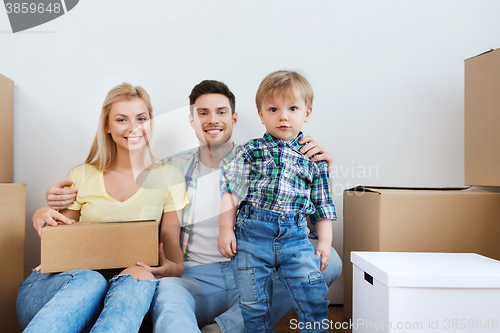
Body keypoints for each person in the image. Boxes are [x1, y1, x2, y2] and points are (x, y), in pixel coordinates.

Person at [45, 79, 342, 333]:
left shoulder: (265, 160)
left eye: (221, 112)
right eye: (203, 113)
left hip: (252, 270)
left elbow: (307, 229)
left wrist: (320, 170)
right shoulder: (169, 169)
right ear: (192, 120)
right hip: (194, 276)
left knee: (330, 263)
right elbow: (113, 193)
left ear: (235, 119)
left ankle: (223, 328)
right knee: (170, 302)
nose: (213, 119)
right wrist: (51, 204)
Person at [17, 83, 189, 333]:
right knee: (90, 279)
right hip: (53, 293)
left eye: (141, 118)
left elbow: (172, 246)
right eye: (122, 119)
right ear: (107, 126)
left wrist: (173, 268)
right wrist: (42, 216)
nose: (133, 128)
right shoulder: (82, 175)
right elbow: (59, 247)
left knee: (140, 276)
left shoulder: (169, 178)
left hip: (116, 300)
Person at [218, 70, 334, 333]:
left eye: (293, 108)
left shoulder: (313, 157)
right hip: (252, 236)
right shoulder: (250, 151)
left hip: (295, 239)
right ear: (261, 114)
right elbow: (232, 191)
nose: (283, 116)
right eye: (273, 109)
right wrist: (225, 229)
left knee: (313, 298)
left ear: (307, 113)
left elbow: (322, 203)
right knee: (252, 303)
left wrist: (325, 241)